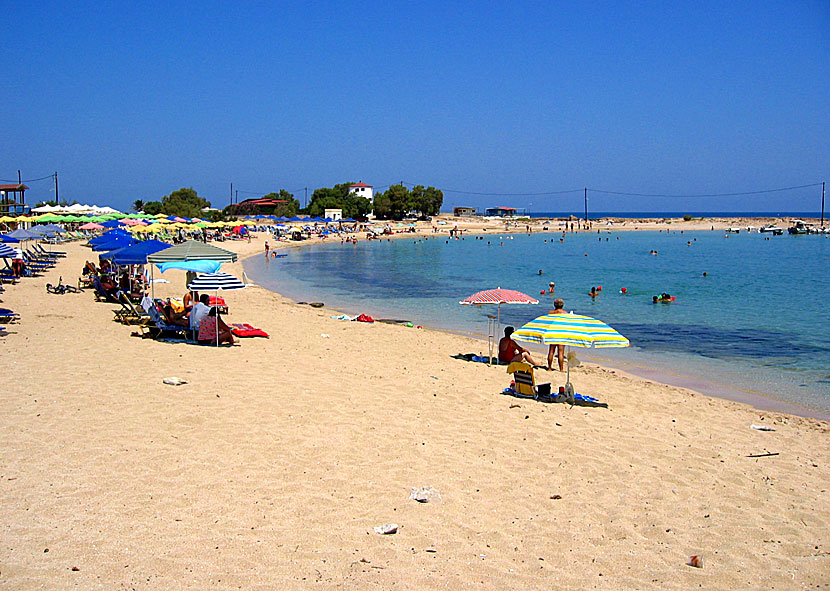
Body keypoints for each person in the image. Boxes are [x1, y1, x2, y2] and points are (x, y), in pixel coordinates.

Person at [547, 298, 568, 371]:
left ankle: (549, 368)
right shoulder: (565, 313)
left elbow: (547, 323)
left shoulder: (550, 313)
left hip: (552, 332)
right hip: (561, 333)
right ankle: (561, 369)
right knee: (561, 352)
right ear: (562, 305)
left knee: (551, 351)